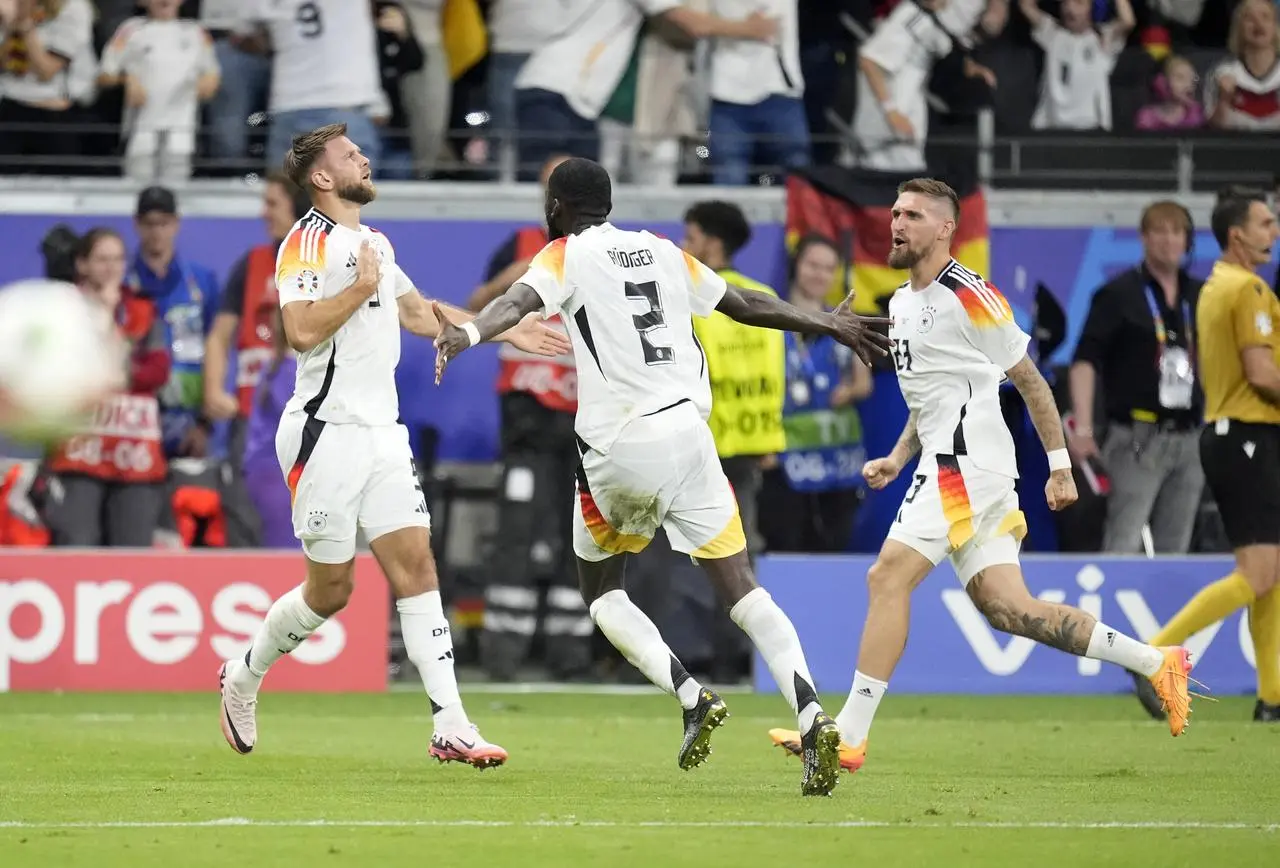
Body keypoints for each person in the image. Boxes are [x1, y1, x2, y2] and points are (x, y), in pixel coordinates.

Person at [432, 156, 892, 796]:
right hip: (690, 437)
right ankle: (813, 713)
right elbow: (747, 304)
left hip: (618, 447)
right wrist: (828, 321)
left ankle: (690, 695)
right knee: (743, 590)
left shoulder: (565, 253)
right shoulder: (663, 252)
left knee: (602, 591)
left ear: (558, 207)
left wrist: (469, 333)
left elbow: (515, 303)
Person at [766, 178, 1196, 775]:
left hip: (964, 467)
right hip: (955, 464)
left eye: (913, 215)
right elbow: (931, 397)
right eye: (894, 212)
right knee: (1008, 609)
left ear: (945, 228)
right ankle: (1156, 662)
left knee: (887, 576)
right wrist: (896, 454)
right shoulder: (899, 303)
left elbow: (1031, 381)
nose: (897, 223)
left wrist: (1061, 465)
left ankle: (849, 737)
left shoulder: (971, 295)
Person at [216, 122, 572, 764]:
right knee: (331, 592)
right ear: (323, 178)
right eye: (351, 156)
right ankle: (244, 671)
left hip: (383, 434)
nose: (365, 159)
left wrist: (498, 330)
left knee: (417, 568)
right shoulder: (305, 243)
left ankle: (452, 724)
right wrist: (357, 287)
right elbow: (298, 331)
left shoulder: (374, 241)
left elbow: (415, 312)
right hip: (325, 434)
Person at [1135, 189, 1280, 724]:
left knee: (1271, 574)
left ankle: (1271, 697)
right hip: (1248, 435)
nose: (1273, 231)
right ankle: (1152, 653)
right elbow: (1263, 374)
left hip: (1227, 434)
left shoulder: (1216, 285)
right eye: (1265, 223)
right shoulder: (1249, 289)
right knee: (1259, 573)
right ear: (1238, 234)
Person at [1068, 201, 1204, 554]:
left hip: (1190, 435)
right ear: (1144, 238)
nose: (1168, 240)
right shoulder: (1117, 295)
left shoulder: (1201, 295)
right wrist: (1083, 428)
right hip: (1136, 439)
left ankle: (1172, 609)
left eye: (1177, 232)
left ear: (1188, 241)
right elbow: (1084, 361)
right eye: (1159, 231)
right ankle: (1113, 607)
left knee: (1177, 546)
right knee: (1124, 539)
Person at [44, 227, 172, 546]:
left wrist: (113, 369)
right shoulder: (62, 309)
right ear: (82, 264)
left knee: (134, 553)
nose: (112, 267)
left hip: (135, 450)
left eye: (117, 259)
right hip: (78, 450)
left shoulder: (142, 309)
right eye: (102, 259)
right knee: (77, 545)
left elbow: (157, 371)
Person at [761, 235, 872, 553]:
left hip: (835, 458)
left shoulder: (846, 324)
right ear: (796, 265)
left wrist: (849, 390)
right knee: (785, 539)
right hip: (783, 459)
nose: (820, 274)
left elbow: (864, 384)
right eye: (813, 265)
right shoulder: (768, 318)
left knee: (833, 542)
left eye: (828, 268)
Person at [203, 173, 310, 467]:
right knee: (246, 505)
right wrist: (213, 390)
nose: (264, 212)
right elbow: (218, 336)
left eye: (273, 204)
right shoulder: (251, 264)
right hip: (252, 415)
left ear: (298, 206)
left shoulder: (325, 264)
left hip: (306, 416)